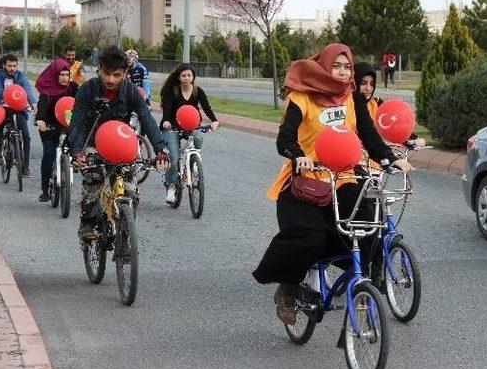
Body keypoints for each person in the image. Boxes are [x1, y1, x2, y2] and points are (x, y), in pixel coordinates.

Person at [252, 44, 412, 325]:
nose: (342, 72)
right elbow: (285, 139)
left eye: (346, 67)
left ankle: (360, 281)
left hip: (344, 178)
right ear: (324, 67)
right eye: (336, 66)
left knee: (368, 226)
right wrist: (298, 156)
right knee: (308, 237)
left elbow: (369, 135)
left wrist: (389, 159)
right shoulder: (302, 97)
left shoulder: (352, 98)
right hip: (307, 182)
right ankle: (288, 287)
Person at [68, 46, 169, 241]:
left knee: (131, 191)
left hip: (120, 143)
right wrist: (77, 152)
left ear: (125, 74)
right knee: (94, 179)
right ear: (99, 70)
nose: (111, 80)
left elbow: (147, 119)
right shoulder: (87, 90)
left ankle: (125, 230)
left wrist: (161, 150)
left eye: (117, 75)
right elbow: (77, 124)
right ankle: (87, 224)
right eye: (106, 74)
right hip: (93, 141)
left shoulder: (131, 91)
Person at [159, 63, 219, 204]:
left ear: (193, 77)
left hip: (191, 126)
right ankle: (172, 186)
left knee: (198, 139)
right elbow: (166, 113)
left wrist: (215, 121)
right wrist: (166, 121)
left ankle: (191, 163)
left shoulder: (198, 91)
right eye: (184, 75)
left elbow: (207, 108)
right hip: (172, 127)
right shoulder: (172, 91)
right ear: (179, 77)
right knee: (173, 158)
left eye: (189, 75)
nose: (187, 78)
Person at [34, 58, 78, 202]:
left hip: (67, 126)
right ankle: (45, 189)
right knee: (48, 154)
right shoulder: (48, 90)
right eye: (62, 75)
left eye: (67, 75)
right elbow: (42, 107)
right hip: (49, 127)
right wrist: (40, 119)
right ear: (55, 75)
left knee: (77, 151)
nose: (65, 78)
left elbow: (81, 106)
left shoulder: (72, 89)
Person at [0, 54, 37, 177]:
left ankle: (25, 167)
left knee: (26, 135)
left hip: (17, 108)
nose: (12, 68)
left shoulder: (21, 76)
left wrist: (34, 103)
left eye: (14, 66)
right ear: (4, 65)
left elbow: (28, 90)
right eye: (9, 66)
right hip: (1, 107)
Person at [354, 62, 426, 148]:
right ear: (354, 83)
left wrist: (413, 139)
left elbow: (394, 124)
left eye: (372, 84)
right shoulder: (344, 106)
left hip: (376, 157)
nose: (368, 88)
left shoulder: (377, 104)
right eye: (363, 83)